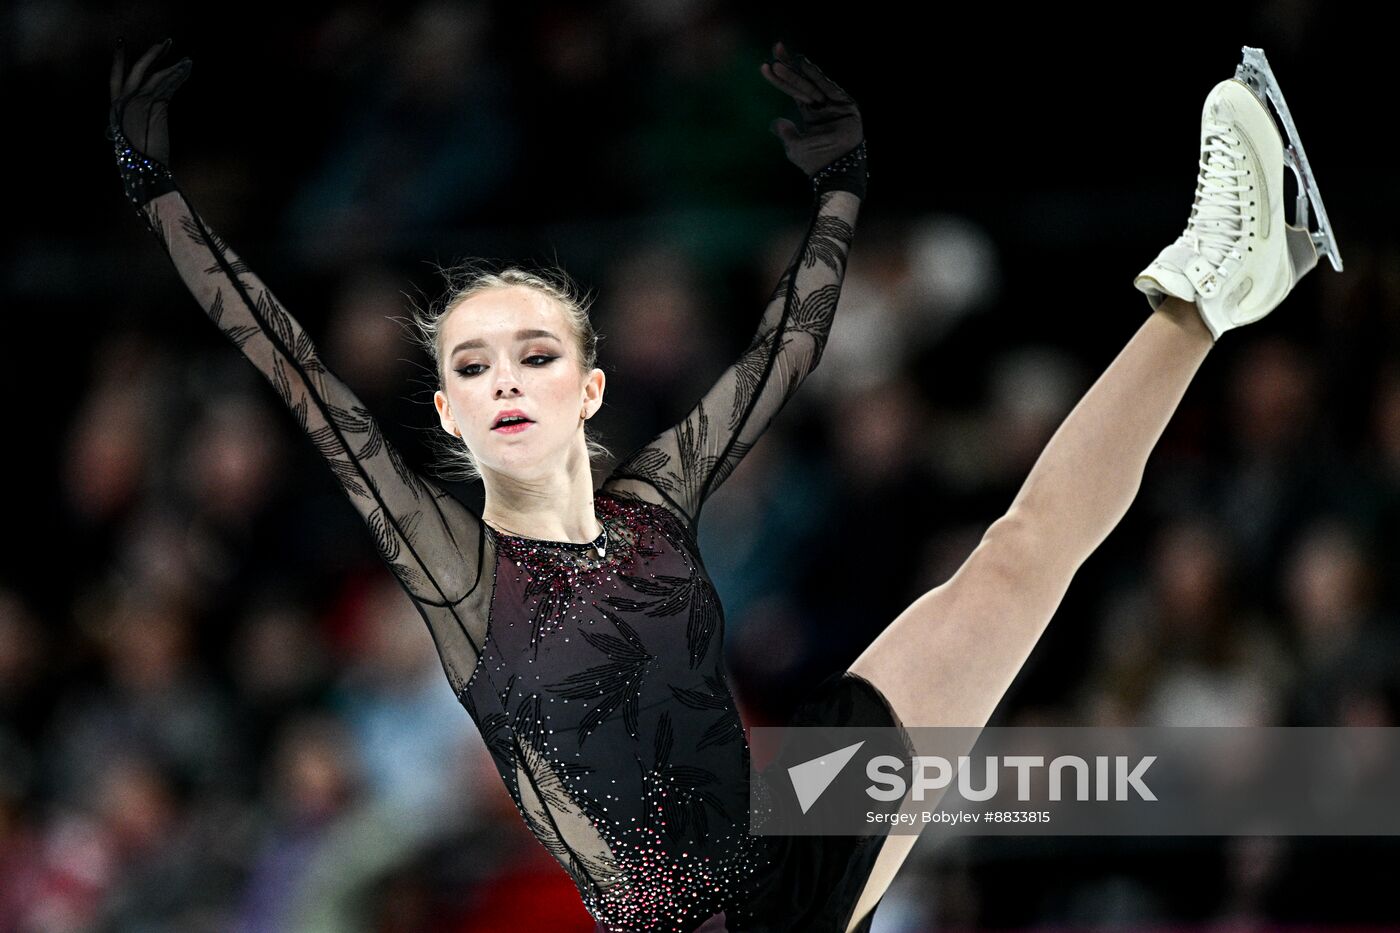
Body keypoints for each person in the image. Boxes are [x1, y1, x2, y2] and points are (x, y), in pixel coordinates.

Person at [108, 36, 1330, 933]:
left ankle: (1217, 282)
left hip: (784, 823)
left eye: (534, 354)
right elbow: (298, 376)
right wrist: (163, 206)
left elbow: (785, 346)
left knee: (1013, 561)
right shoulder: (454, 569)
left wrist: (842, 186)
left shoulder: (651, 500)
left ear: (588, 392)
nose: (507, 384)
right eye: (474, 369)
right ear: (449, 420)